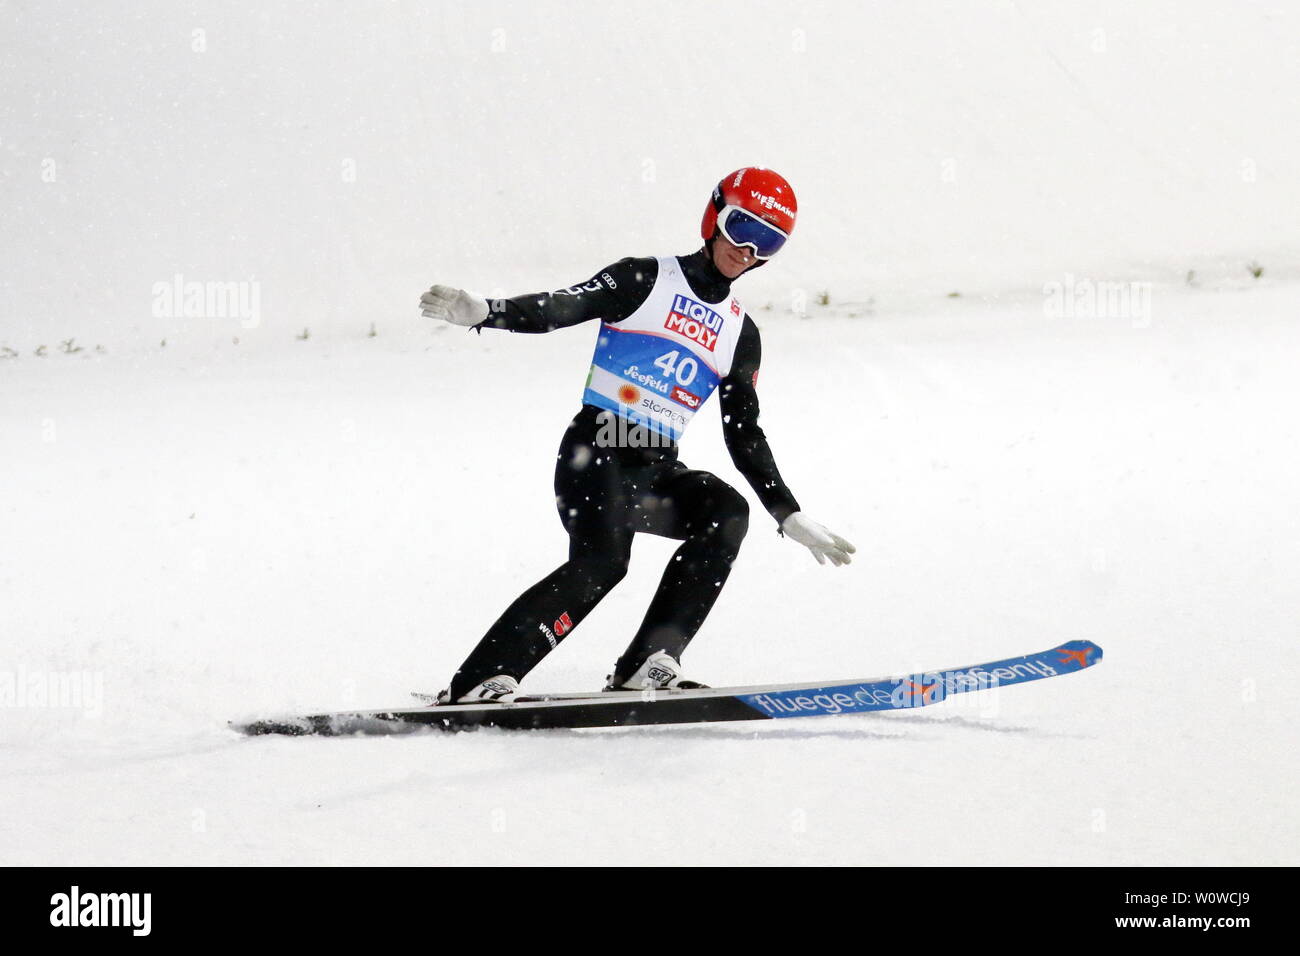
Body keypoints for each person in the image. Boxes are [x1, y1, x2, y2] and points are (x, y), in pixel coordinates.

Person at [419, 167, 854, 703]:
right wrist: (490, 312)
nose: (747, 249)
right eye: (742, 227)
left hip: (655, 468)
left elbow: (744, 433)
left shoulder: (741, 333)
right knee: (603, 563)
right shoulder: (644, 279)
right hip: (597, 448)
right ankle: (479, 681)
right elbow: (564, 305)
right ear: (714, 217)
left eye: (767, 240)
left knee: (725, 511)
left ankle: (648, 661)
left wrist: (786, 512)